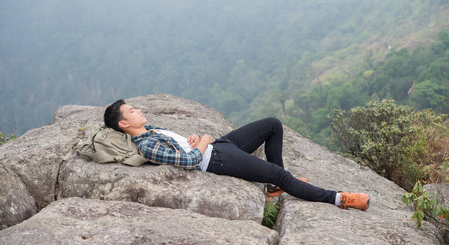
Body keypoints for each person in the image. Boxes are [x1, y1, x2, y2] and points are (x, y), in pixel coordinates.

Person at [104, 99, 370, 211]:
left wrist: (194, 139)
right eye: (132, 111)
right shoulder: (146, 144)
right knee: (280, 173)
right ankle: (338, 199)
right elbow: (189, 161)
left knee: (273, 124)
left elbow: (181, 148)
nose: (139, 111)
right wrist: (204, 141)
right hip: (216, 158)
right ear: (124, 125)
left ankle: (277, 186)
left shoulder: (150, 128)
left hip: (220, 145)